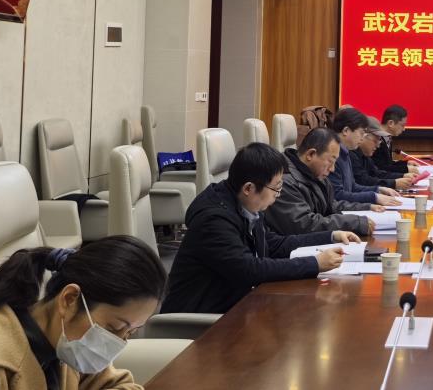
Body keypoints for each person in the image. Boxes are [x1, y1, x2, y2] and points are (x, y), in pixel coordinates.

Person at [161, 142, 360, 314]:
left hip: (238, 306)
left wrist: (330, 236)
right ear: (249, 188)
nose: (278, 195)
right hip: (202, 320)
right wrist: (314, 263)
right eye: (276, 188)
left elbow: (273, 244)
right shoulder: (213, 221)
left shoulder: (245, 205)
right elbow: (250, 270)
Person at [0, 235, 165, 390]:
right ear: (69, 299)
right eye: (114, 328)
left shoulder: (66, 341)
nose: (117, 343)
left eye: (130, 332)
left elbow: (121, 385)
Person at [268, 127, 382, 238]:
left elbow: (331, 206)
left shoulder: (313, 174)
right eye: (330, 161)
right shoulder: (283, 181)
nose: (332, 169)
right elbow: (305, 224)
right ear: (310, 154)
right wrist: (354, 222)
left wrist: (367, 207)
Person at [328, 107, 401, 206]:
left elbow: (353, 187)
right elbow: (337, 195)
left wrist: (378, 189)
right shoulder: (332, 154)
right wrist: (373, 197)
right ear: (346, 131)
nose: (362, 138)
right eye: (361, 133)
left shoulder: (346, 152)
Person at [350, 116, 418, 190]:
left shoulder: (365, 155)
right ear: (363, 136)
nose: (378, 146)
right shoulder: (351, 154)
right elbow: (363, 180)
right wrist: (394, 183)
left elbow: (377, 173)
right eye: (375, 140)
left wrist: (402, 176)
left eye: (379, 140)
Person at [372, 104, 415, 174]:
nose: (404, 129)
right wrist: (405, 169)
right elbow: (380, 168)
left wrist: (406, 163)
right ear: (391, 123)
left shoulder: (387, 137)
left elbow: (388, 164)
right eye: (402, 125)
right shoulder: (376, 139)